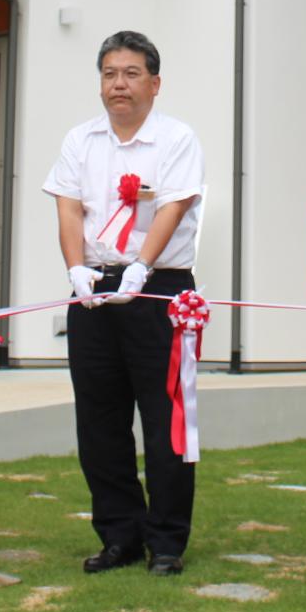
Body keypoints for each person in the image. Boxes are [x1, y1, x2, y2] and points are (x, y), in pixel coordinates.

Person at [43, 30, 205, 576]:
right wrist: (75, 269)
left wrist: (141, 266)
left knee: (165, 422)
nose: (120, 84)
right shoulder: (80, 140)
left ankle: (166, 542)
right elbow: (69, 210)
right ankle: (119, 535)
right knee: (100, 422)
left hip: (159, 287)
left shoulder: (176, 139)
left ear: (154, 83)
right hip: (93, 292)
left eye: (132, 73)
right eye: (110, 74)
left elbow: (173, 207)